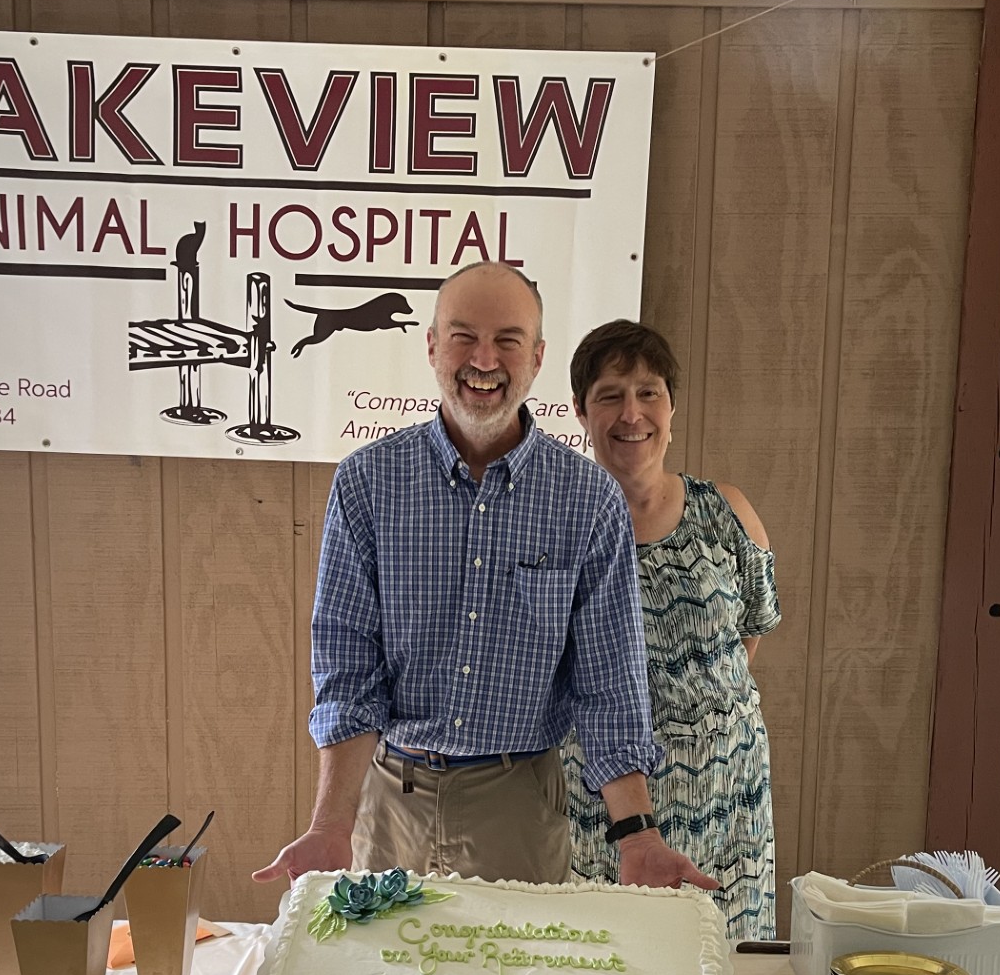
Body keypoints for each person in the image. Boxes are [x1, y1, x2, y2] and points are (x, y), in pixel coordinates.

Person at [254, 262, 717, 893]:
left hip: (520, 805)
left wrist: (637, 836)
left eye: (508, 340)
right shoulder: (367, 483)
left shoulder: (587, 500)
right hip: (389, 804)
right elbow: (347, 666)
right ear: (432, 346)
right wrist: (332, 825)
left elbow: (610, 682)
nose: (484, 358)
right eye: (463, 336)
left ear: (537, 357)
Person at [560, 321, 782, 940]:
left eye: (648, 392)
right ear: (580, 411)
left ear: (671, 406)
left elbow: (750, 630)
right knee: (607, 971)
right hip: (599, 802)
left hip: (726, 793)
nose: (632, 413)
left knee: (719, 968)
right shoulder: (555, 529)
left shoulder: (726, 512)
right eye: (610, 395)